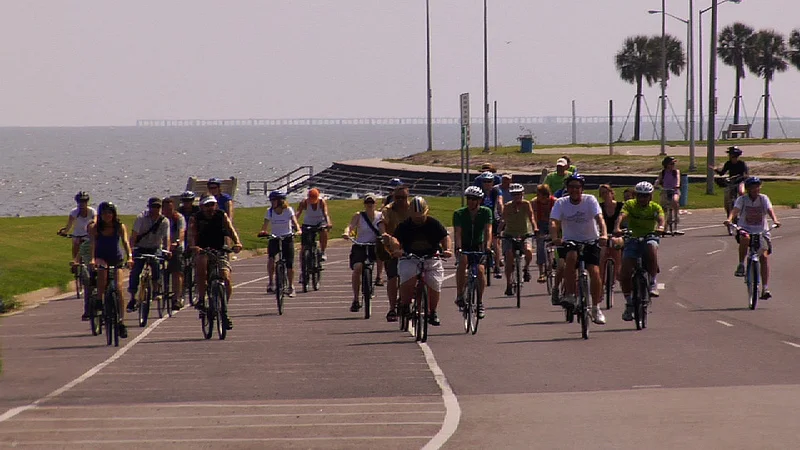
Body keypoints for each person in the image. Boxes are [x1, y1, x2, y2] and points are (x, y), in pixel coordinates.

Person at [383, 196, 453, 326]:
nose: (418, 219)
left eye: (421, 216)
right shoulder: (404, 226)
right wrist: (397, 249)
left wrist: (447, 249)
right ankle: (405, 304)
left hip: (431, 257)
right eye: (416, 217)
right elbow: (395, 239)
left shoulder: (433, 223)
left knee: (434, 283)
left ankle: (432, 312)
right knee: (407, 278)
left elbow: (445, 237)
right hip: (410, 257)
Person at [550, 174, 608, 325]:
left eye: (577, 187)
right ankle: (569, 294)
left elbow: (599, 219)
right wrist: (555, 237)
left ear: (582, 189)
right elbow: (554, 222)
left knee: (594, 272)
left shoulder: (590, 200)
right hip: (570, 241)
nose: (574, 190)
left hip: (590, 240)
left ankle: (596, 307)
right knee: (570, 257)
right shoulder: (561, 203)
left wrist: (604, 235)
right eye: (571, 187)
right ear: (567, 189)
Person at [189, 194, 243, 330]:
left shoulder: (221, 215)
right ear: (201, 206)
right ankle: (201, 299)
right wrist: (194, 246)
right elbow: (192, 235)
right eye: (207, 205)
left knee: (226, 278)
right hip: (203, 250)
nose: (210, 208)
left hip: (220, 249)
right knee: (201, 266)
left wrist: (237, 242)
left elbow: (231, 230)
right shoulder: (196, 218)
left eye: (212, 205)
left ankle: (223, 308)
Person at [614, 181, 665, 321]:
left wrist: (660, 227)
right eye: (640, 196)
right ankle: (629, 302)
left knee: (651, 247)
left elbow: (661, 218)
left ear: (650, 196)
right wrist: (618, 227)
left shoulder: (655, 207)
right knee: (625, 272)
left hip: (650, 236)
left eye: (646, 196)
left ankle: (653, 282)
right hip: (632, 238)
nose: (642, 199)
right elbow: (622, 216)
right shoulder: (630, 204)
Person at [724, 177, 781, 299]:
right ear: (748, 189)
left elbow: (770, 210)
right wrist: (729, 219)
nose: (756, 189)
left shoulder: (763, 198)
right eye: (753, 187)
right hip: (745, 228)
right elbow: (735, 210)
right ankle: (741, 264)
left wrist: (775, 220)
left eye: (758, 186)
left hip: (762, 231)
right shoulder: (742, 199)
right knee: (745, 238)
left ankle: (765, 288)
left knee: (764, 257)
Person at [88, 202, 133, 338]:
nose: (107, 216)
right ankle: (100, 302)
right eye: (104, 213)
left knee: (119, 289)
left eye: (109, 213)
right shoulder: (96, 228)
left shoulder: (120, 226)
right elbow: (92, 243)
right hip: (101, 257)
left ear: (114, 214)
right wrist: (92, 259)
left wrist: (130, 257)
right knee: (102, 273)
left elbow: (125, 242)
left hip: (116, 258)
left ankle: (121, 321)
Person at [453, 186, 493, 318]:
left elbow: (488, 231)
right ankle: (460, 294)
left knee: (480, 271)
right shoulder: (459, 213)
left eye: (474, 199)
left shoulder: (486, 212)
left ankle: (480, 302)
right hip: (464, 244)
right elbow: (457, 233)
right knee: (463, 261)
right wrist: (458, 248)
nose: (471, 201)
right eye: (469, 198)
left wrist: (487, 246)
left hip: (479, 245)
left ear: (479, 200)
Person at [127, 197, 171, 313]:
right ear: (149, 207)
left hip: (155, 248)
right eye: (153, 207)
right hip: (140, 247)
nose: (155, 210)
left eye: (157, 207)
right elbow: (134, 236)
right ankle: (132, 298)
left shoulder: (164, 221)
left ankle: (156, 290)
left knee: (156, 264)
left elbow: (166, 238)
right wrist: (131, 253)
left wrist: (167, 250)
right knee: (136, 270)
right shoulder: (141, 218)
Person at [342, 193, 383, 312]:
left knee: (381, 252)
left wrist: (384, 236)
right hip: (360, 245)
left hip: (374, 245)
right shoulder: (359, 215)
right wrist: (347, 233)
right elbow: (350, 226)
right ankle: (355, 299)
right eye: (367, 202)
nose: (369, 205)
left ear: (375, 203)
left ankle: (379, 276)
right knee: (357, 268)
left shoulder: (380, 216)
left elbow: (383, 229)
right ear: (364, 204)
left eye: (372, 202)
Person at [378, 184, 411, 322]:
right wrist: (384, 234)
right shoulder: (388, 209)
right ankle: (392, 308)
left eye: (403, 197)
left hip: (411, 246)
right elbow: (382, 223)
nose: (400, 200)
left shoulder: (413, 208)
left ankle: (410, 302)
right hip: (392, 247)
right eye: (397, 197)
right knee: (393, 277)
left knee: (414, 275)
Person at [258, 191, 301, 297]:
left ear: (280, 201)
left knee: (289, 264)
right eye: (271, 200)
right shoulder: (270, 211)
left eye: (274, 200)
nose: (272, 202)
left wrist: (298, 230)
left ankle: (291, 286)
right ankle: (271, 282)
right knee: (271, 258)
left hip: (287, 237)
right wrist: (263, 232)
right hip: (275, 237)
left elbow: (295, 222)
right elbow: (265, 225)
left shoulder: (288, 210)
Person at [500, 183, 538, 295]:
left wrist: (535, 228)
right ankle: (508, 285)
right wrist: (498, 232)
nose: (517, 197)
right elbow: (503, 220)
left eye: (519, 195)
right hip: (509, 234)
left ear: (523, 194)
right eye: (514, 195)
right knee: (509, 256)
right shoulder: (507, 206)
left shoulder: (526, 204)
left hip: (524, 233)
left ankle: (526, 268)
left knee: (528, 251)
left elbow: (531, 217)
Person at [709, 146, 748, 221]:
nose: (730, 156)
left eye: (731, 154)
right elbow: (722, 173)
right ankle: (729, 209)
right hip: (731, 181)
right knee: (728, 196)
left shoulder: (741, 163)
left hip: (740, 181)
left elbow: (745, 174)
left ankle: (743, 204)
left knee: (741, 191)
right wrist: (716, 170)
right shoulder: (728, 163)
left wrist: (740, 177)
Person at [477, 171, 504, 278]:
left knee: (495, 242)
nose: (487, 184)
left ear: (493, 182)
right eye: (485, 181)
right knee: (481, 240)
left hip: (494, 218)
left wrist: (502, 214)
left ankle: (497, 266)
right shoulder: (479, 192)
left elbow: (500, 202)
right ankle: (480, 261)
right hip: (481, 219)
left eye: (489, 181)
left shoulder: (496, 191)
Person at [161, 197, 186, 310]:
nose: (168, 212)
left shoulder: (179, 218)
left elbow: (181, 232)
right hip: (162, 247)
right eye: (165, 209)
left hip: (176, 247)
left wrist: (177, 243)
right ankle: (156, 290)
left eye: (170, 209)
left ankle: (177, 297)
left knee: (177, 271)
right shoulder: (160, 219)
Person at [58, 191, 97, 263]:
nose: (81, 204)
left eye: (83, 202)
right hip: (77, 234)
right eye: (80, 202)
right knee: (76, 244)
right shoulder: (74, 212)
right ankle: (75, 263)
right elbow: (69, 225)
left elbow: (95, 221)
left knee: (92, 246)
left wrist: (92, 227)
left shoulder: (92, 211)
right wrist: (64, 232)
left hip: (88, 235)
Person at [296, 188, 332, 261]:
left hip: (320, 222)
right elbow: (298, 213)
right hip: (308, 222)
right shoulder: (304, 202)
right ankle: (303, 263)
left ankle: (322, 251)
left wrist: (328, 222)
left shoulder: (321, 202)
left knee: (323, 232)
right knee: (304, 244)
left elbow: (325, 213)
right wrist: (294, 223)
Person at [598, 184, 623, 287]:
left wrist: (620, 230)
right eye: (602, 193)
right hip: (603, 234)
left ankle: (617, 272)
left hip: (618, 234)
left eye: (607, 192)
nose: (605, 195)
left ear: (612, 193)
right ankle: (601, 278)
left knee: (616, 244)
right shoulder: (599, 207)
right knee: (602, 252)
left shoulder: (621, 206)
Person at [532, 184, 557, 284]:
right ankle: (542, 272)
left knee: (557, 243)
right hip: (540, 224)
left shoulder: (555, 201)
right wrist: (536, 228)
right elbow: (533, 216)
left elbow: (558, 216)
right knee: (540, 246)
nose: (539, 197)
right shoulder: (534, 202)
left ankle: (555, 261)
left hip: (553, 222)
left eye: (541, 195)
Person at [655, 156, 681, 231]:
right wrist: (656, 185)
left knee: (675, 200)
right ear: (666, 165)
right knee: (662, 207)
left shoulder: (676, 172)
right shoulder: (663, 172)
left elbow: (678, 179)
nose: (673, 165)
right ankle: (663, 224)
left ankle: (676, 216)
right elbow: (658, 180)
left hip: (674, 191)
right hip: (665, 190)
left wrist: (677, 185)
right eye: (671, 164)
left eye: (673, 164)